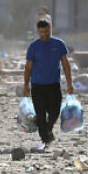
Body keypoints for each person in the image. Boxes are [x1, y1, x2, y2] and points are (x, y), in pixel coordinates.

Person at [23, 20, 74, 148]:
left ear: (50, 29)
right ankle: (46, 139)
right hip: (37, 85)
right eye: (41, 32)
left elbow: (65, 65)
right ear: (37, 31)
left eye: (47, 31)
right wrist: (25, 85)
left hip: (53, 84)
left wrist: (69, 83)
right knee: (40, 114)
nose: (44, 34)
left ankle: (49, 128)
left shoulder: (59, 44)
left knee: (55, 111)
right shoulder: (33, 47)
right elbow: (28, 67)